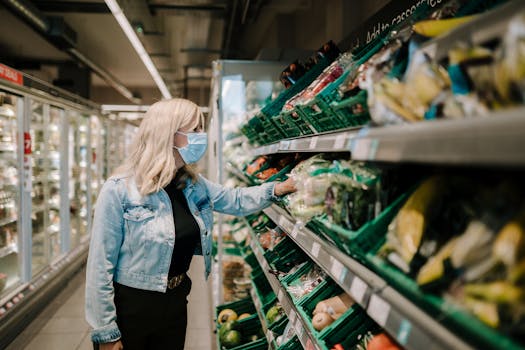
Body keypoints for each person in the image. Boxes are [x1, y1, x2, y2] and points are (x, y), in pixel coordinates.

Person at [85, 98, 296, 350]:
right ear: (169, 134)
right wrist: (107, 332)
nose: (201, 136)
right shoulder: (119, 190)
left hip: (176, 299)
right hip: (132, 305)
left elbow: (235, 199)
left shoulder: (192, 185)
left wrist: (279, 188)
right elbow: (100, 265)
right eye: (195, 130)